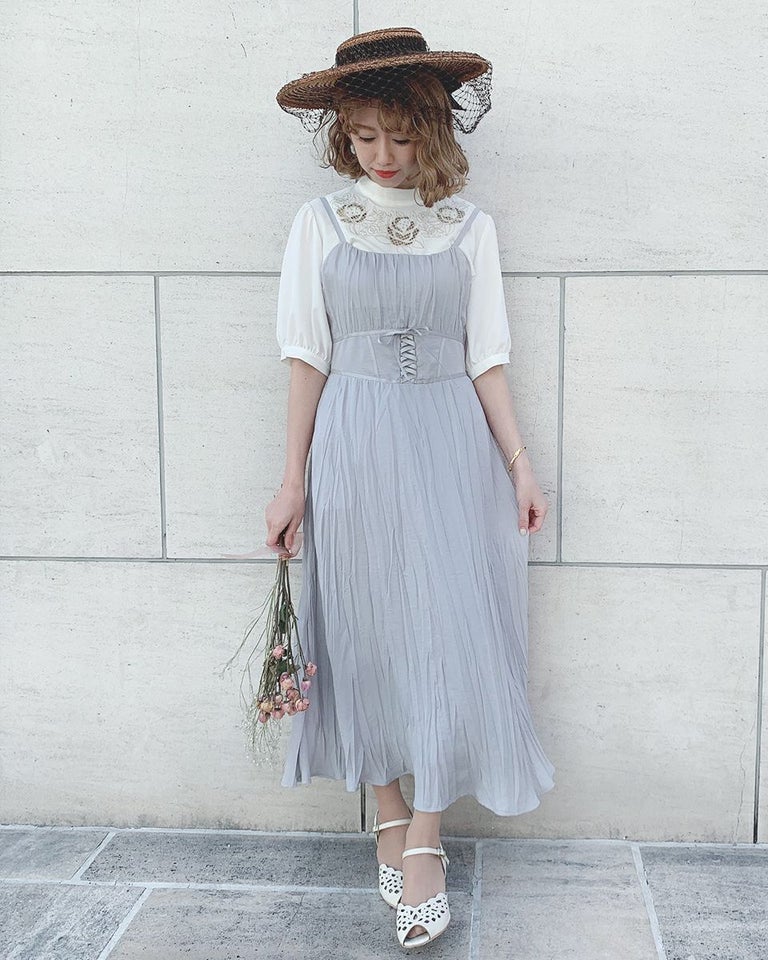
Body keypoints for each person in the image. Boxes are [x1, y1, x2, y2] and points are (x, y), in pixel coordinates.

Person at [264, 26, 556, 949]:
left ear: (431, 130)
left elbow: (487, 358)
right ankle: (388, 809)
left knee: (442, 629)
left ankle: (425, 832)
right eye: (363, 136)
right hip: (351, 441)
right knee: (362, 624)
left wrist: (519, 463)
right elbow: (306, 357)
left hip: (448, 441)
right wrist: (291, 480)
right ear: (342, 134)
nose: (382, 155)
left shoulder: (470, 228)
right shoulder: (319, 224)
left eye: (399, 135)